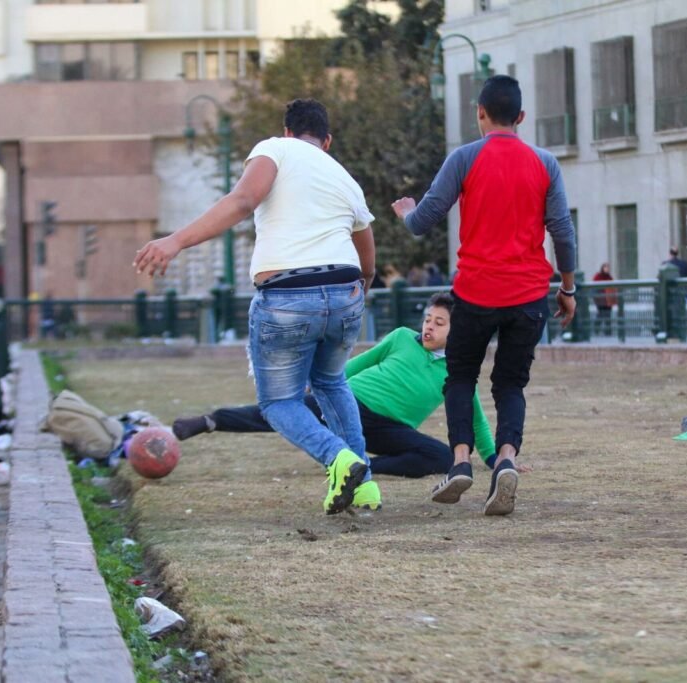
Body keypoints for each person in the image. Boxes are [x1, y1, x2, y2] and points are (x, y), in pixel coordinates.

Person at [133, 98, 378, 515]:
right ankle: (366, 488)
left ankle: (340, 460)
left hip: (287, 294)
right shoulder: (344, 177)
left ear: (286, 132)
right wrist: (359, 289)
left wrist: (174, 241)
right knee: (333, 383)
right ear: (328, 141)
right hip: (346, 290)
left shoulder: (274, 150)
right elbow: (366, 247)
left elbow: (244, 200)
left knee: (279, 403)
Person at [391, 74, 576, 516]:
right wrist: (567, 288)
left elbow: (423, 222)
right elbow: (563, 233)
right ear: (521, 117)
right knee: (510, 383)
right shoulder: (545, 163)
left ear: (480, 113)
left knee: (459, 378)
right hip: (529, 294)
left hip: (475, 293)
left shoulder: (464, 158)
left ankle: (459, 463)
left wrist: (406, 213)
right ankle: (507, 459)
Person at [171, 293, 535, 482]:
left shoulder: (460, 372)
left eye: (439, 323)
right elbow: (350, 367)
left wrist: (496, 459)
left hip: (389, 429)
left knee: (442, 458)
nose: (428, 327)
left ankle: (363, 467)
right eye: (427, 319)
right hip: (347, 405)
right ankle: (210, 421)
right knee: (277, 414)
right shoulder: (400, 338)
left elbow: (476, 422)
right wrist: (319, 391)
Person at [592, 262, 617, 336]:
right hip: (600, 299)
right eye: (605, 267)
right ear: (602, 268)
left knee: (608, 316)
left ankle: (608, 332)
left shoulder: (609, 277)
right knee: (600, 315)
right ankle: (596, 331)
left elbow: (612, 287)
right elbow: (594, 288)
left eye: (608, 268)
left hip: (608, 299)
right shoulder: (598, 276)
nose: (607, 269)